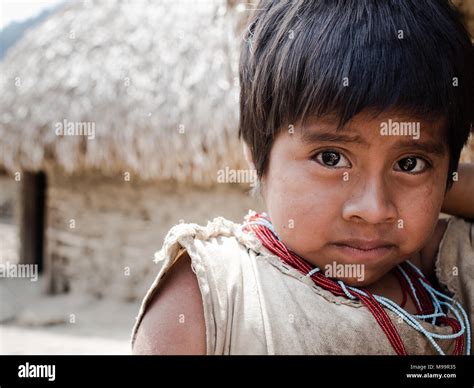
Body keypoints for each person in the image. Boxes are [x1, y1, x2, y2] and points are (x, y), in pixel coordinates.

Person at [132, 0, 474, 355]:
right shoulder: (214, 296)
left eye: (410, 163)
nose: (374, 210)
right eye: (331, 158)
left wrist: (435, 190)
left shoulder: (444, 269)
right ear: (256, 154)